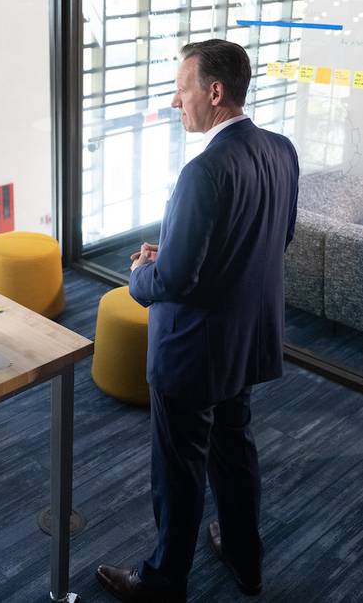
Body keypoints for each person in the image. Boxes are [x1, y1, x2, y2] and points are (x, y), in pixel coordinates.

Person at [96, 40, 299, 602]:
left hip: (193, 351)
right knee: (234, 448)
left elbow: (172, 283)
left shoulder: (204, 169)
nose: (173, 101)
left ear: (214, 92)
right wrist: (180, 258)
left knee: (179, 470)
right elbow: (272, 240)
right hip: (246, 341)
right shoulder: (282, 150)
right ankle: (243, 553)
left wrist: (140, 272)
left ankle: (162, 582)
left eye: (181, 89)